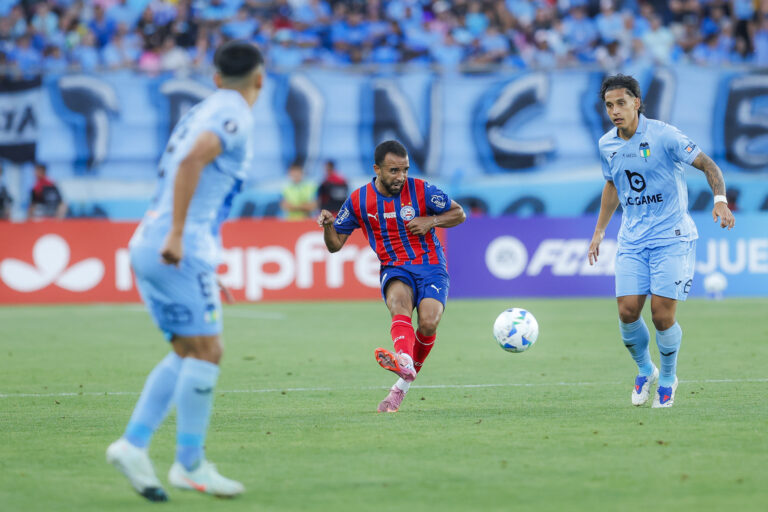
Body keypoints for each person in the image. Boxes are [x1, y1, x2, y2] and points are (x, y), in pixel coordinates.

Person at [106, 40, 265, 501]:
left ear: (215, 77)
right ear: (260, 79)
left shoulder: (202, 109)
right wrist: (180, 235)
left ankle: (133, 445)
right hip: (176, 244)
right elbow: (195, 159)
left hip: (152, 239)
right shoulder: (234, 112)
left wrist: (193, 250)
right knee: (208, 351)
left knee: (186, 350)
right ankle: (190, 464)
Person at [588, 74, 735, 409]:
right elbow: (612, 185)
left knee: (661, 316)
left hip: (672, 237)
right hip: (632, 239)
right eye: (609, 105)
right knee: (627, 311)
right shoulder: (606, 145)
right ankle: (645, 370)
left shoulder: (665, 135)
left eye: (621, 103)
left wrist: (720, 200)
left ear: (637, 103)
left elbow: (708, 165)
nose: (615, 111)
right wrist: (599, 230)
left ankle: (668, 378)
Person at [317, 140, 466, 412]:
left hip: (431, 265)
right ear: (377, 169)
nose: (401, 176)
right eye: (394, 170)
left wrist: (431, 221)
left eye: (405, 170)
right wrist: (328, 226)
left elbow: (459, 213)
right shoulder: (359, 200)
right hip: (395, 267)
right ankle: (405, 360)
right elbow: (335, 244)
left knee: (429, 322)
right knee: (399, 304)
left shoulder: (421, 190)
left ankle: (400, 386)